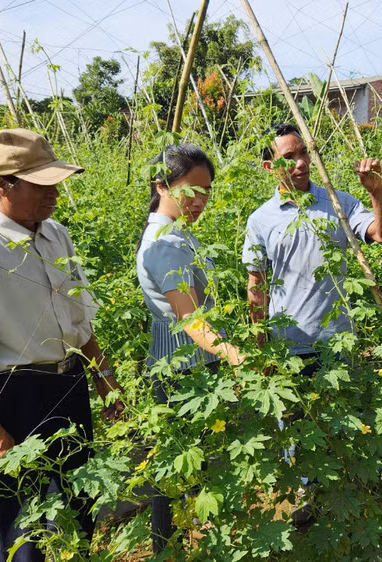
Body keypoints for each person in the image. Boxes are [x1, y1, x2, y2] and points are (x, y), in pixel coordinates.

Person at [0, 128, 124, 561]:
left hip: (68, 387)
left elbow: (80, 321)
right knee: (23, 529)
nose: (54, 192)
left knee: (79, 508)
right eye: (42, 183)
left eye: (55, 180)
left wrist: (105, 380)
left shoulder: (55, 233)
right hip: (10, 397)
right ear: (0, 184)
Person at [136, 144, 245, 553]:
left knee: (187, 464)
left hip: (189, 364)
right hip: (182, 371)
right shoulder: (165, 243)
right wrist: (234, 353)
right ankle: (167, 547)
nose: (200, 200)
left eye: (206, 191)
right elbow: (190, 319)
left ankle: (186, 544)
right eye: (191, 190)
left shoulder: (176, 234)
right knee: (177, 467)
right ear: (161, 185)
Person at [242, 123, 382, 361]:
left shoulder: (338, 203)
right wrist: (263, 351)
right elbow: (257, 287)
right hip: (286, 348)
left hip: (337, 342)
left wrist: (376, 192)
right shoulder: (260, 220)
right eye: (289, 157)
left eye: (304, 152)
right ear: (269, 167)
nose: (301, 162)